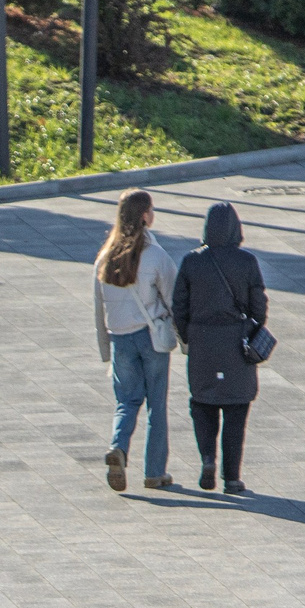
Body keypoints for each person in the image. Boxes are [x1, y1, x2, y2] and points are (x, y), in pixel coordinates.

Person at [170, 200, 268, 497]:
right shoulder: (247, 262)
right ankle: (233, 478)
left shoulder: (191, 261)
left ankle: (208, 459)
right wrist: (249, 330)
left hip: (202, 344)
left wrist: (191, 336)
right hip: (235, 344)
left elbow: (179, 307)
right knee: (237, 410)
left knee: (202, 403)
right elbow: (259, 308)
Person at [92, 189, 178, 492]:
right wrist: (183, 338)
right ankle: (155, 473)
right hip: (150, 338)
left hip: (120, 340)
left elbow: (98, 307)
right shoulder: (155, 255)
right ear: (144, 215)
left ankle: (119, 448)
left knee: (126, 402)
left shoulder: (104, 258)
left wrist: (106, 348)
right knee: (157, 405)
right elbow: (173, 298)